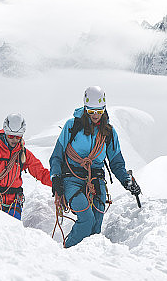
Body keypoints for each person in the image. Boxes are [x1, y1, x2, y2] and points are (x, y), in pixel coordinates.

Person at [50, 86, 140, 247]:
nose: (96, 116)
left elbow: (116, 162)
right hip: (72, 178)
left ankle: (88, 262)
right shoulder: (72, 126)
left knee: (96, 224)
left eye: (99, 111)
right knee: (86, 219)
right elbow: (57, 155)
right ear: (85, 109)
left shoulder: (108, 133)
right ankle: (66, 252)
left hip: (96, 179)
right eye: (91, 112)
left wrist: (127, 181)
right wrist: (56, 178)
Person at [0, 113, 52, 219]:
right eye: (11, 136)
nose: (14, 140)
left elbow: (41, 173)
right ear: (5, 133)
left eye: (18, 137)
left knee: (11, 233)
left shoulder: (24, 154)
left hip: (13, 203)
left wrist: (58, 182)